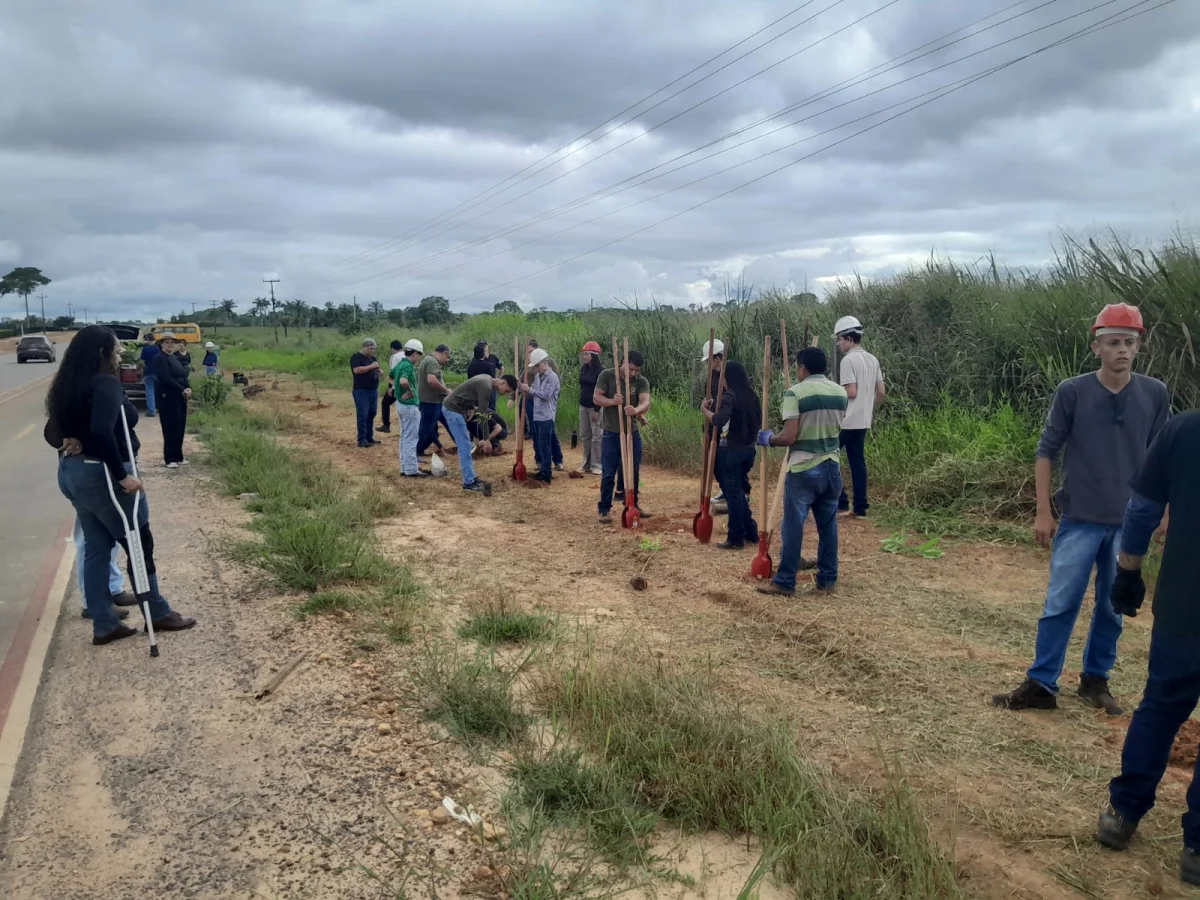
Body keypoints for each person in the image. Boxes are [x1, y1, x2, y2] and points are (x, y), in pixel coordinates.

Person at [992, 303, 1169, 714]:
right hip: (1079, 520)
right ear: (1096, 347)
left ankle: (1095, 680)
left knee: (1113, 606)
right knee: (1060, 603)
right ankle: (1042, 683)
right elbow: (1046, 451)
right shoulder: (1072, 391)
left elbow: (1163, 457)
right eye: (1113, 342)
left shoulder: (1154, 394)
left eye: (1129, 342)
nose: (1122, 349)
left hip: (1128, 524)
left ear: (1138, 347)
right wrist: (1043, 511)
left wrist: (1165, 511)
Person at [1095, 411, 1199, 887]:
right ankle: (1197, 849)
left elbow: (1142, 509)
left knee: (1159, 708)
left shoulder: (1184, 429)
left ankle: (1123, 813)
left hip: (1183, 604)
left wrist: (1128, 571)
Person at [44, 325, 196, 645]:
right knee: (139, 542)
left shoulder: (67, 384)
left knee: (97, 546)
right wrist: (121, 475)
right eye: (115, 349)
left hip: (72, 472)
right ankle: (157, 612)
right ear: (102, 353)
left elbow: (51, 433)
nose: (119, 354)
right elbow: (102, 431)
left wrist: (69, 439)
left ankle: (104, 623)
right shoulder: (105, 383)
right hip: (103, 475)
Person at [756, 346, 847, 596]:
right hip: (832, 466)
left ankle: (785, 581)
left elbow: (789, 436)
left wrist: (769, 439)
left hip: (804, 469)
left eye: (798, 367)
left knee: (793, 527)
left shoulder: (795, 393)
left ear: (803, 369)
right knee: (828, 527)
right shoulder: (840, 392)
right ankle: (827, 580)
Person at [702, 360, 760, 550]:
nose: (721, 381)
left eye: (723, 377)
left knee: (733, 495)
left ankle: (736, 536)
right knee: (738, 493)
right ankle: (750, 531)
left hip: (731, 450)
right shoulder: (752, 395)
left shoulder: (730, 395)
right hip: (748, 450)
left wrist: (705, 411)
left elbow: (719, 419)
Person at [833, 316, 885, 517]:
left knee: (829, 457)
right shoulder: (872, 359)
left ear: (848, 338)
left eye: (840, 339)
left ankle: (841, 501)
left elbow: (851, 392)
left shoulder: (848, 360)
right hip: (863, 420)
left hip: (846, 420)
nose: (839, 344)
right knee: (857, 463)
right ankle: (861, 507)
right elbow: (881, 392)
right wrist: (869, 409)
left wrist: (833, 393)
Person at [595, 350, 651, 524]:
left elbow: (645, 402)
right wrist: (612, 401)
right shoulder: (607, 375)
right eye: (631, 369)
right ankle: (604, 509)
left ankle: (632, 505)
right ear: (623, 362)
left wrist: (637, 411)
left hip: (631, 432)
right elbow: (596, 398)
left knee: (633, 470)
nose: (633, 373)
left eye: (637, 370)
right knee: (608, 472)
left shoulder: (641, 381)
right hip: (611, 433)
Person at [442, 373, 518, 494]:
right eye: (506, 390)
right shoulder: (486, 386)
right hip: (453, 410)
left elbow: (468, 392)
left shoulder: (487, 379)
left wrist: (471, 408)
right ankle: (468, 482)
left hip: (456, 409)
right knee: (465, 447)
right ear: (503, 382)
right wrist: (486, 439)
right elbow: (483, 416)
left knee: (466, 445)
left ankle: (472, 477)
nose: (504, 393)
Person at [519, 348, 561, 484]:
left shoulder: (553, 377)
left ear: (544, 363)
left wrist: (529, 390)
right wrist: (523, 387)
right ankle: (543, 469)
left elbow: (546, 395)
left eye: (537, 366)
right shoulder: (538, 376)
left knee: (545, 445)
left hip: (546, 416)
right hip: (537, 415)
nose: (536, 369)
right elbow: (534, 391)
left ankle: (546, 473)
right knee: (540, 443)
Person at [153, 333, 191, 468]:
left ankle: (179, 456)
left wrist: (188, 388)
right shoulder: (159, 358)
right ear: (162, 344)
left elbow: (183, 375)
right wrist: (181, 389)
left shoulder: (174, 358)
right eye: (167, 342)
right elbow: (165, 377)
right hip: (168, 397)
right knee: (170, 427)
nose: (170, 344)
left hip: (180, 397)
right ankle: (170, 458)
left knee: (179, 426)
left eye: (172, 342)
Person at [391, 340, 426, 477]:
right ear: (415, 353)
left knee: (405, 437)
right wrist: (410, 391)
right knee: (411, 437)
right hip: (409, 405)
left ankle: (404, 467)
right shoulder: (408, 366)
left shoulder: (400, 364)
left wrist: (396, 389)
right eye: (419, 355)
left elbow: (390, 377)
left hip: (400, 404)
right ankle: (411, 469)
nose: (419, 358)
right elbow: (403, 381)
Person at [416, 344, 452, 457]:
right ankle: (417, 450)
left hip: (432, 401)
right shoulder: (433, 362)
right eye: (447, 357)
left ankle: (420, 450)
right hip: (431, 402)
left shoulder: (428, 359)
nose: (447, 360)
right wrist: (445, 390)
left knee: (432, 428)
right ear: (444, 353)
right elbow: (431, 380)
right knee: (427, 429)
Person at [350, 338, 382, 449]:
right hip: (361, 390)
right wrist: (371, 366)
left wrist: (378, 372)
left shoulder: (373, 358)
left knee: (371, 413)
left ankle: (369, 437)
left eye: (374, 349)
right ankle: (361, 439)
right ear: (365, 347)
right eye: (371, 348)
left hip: (373, 390)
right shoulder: (356, 357)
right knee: (362, 414)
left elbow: (375, 369)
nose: (373, 351)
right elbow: (357, 370)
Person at [578, 342, 604, 475]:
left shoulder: (601, 372)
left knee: (597, 436)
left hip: (595, 407)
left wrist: (597, 409)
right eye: (583, 354)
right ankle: (586, 464)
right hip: (583, 405)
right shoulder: (584, 368)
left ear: (594, 356)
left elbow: (602, 392)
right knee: (585, 435)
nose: (584, 357)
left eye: (587, 354)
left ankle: (597, 465)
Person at [379, 339, 404, 434]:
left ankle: (386, 425)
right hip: (406, 385)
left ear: (392, 348)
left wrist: (390, 387)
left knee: (385, 403)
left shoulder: (395, 357)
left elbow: (393, 373)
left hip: (397, 386)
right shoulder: (406, 355)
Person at [139, 335, 160, 417]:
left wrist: (141, 370)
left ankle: (151, 411)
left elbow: (142, 362)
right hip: (158, 373)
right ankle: (159, 408)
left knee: (150, 392)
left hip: (148, 373)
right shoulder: (158, 349)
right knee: (158, 391)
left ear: (147, 339)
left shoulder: (145, 349)